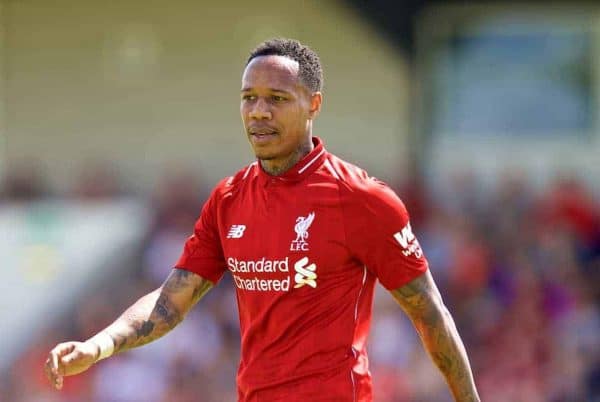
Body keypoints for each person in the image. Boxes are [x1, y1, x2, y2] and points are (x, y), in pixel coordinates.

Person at [45, 38, 481, 402]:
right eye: (248, 98)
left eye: (277, 99)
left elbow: (430, 314)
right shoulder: (228, 199)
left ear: (314, 104)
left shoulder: (360, 199)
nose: (258, 112)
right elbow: (169, 303)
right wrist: (98, 345)